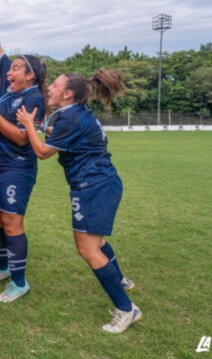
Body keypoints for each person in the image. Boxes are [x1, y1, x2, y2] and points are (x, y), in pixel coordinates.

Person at [16, 71, 141, 333]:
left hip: (93, 187)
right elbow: (65, 135)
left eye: (54, 85)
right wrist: (42, 128)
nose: (49, 88)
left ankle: (126, 309)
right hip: (101, 183)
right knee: (97, 242)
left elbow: (43, 152)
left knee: (87, 249)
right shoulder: (75, 114)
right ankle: (120, 280)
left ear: (68, 93)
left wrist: (28, 124)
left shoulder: (70, 116)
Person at [0, 7, 46, 301]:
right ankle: (3, 267)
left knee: (12, 221)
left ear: (30, 75)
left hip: (16, 167)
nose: (9, 72)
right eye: (10, 68)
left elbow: (21, 137)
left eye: (16, 68)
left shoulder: (34, 97)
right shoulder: (7, 87)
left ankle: (19, 282)